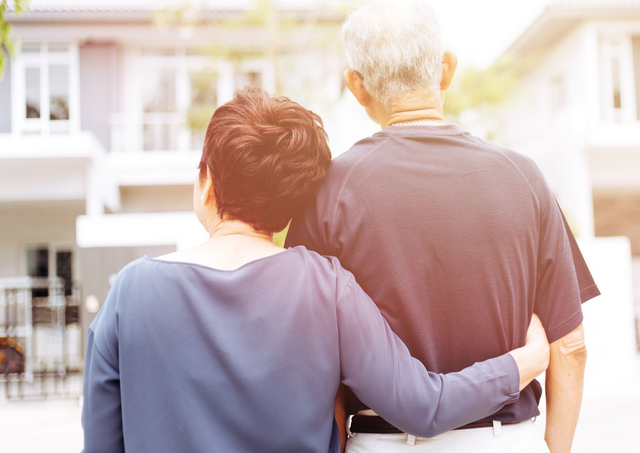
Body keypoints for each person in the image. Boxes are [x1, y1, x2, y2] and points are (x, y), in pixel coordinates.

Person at [82, 86, 549, 453]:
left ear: (206, 183)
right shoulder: (327, 287)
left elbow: (101, 446)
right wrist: (526, 360)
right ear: (292, 208)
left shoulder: (130, 293)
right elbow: (423, 406)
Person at [286, 0, 601, 452]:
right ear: (446, 69)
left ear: (356, 87)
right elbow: (570, 347)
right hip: (506, 441)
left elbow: (315, 363)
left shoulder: (328, 192)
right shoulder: (523, 177)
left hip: (381, 441)